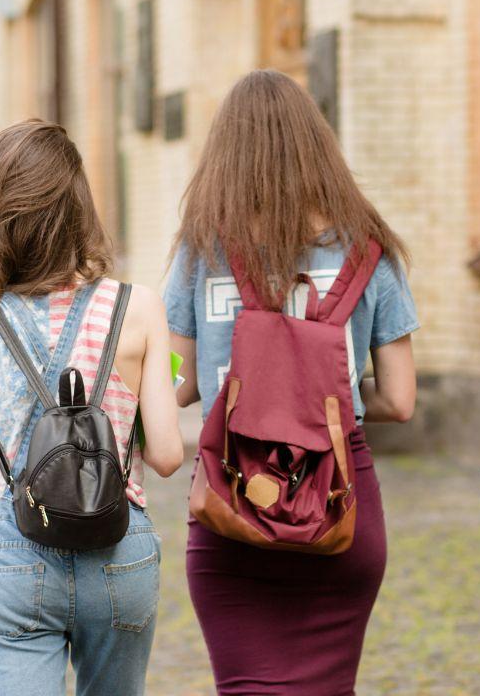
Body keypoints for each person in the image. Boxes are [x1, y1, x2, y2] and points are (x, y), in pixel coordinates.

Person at [164, 70, 419, 695]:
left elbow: (177, 383)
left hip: (233, 501)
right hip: (338, 504)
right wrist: (328, 398)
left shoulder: (201, 250)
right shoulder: (369, 250)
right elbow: (400, 399)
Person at [0, 119, 184, 696]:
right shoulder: (137, 307)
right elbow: (168, 456)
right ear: (77, 209)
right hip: (118, 548)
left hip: (15, 556)